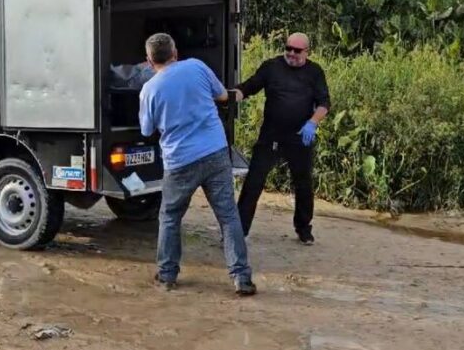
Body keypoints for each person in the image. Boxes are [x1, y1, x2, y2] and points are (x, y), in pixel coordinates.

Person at [138, 33, 256, 296]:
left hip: (180, 162)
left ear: (148, 61)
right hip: (215, 153)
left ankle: (167, 276)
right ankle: (241, 278)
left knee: (170, 217)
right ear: (175, 52)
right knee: (227, 216)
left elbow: (146, 130)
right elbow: (223, 96)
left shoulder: (150, 89)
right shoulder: (197, 66)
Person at [234, 32, 330, 245]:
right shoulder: (271, 67)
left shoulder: (315, 72)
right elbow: (249, 87)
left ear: (307, 51)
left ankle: (304, 228)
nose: (291, 54)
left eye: (297, 50)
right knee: (254, 181)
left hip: (299, 138)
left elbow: (324, 103)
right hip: (271, 136)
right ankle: (239, 230)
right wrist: (233, 95)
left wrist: (312, 123)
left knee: (303, 184)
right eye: (288, 48)